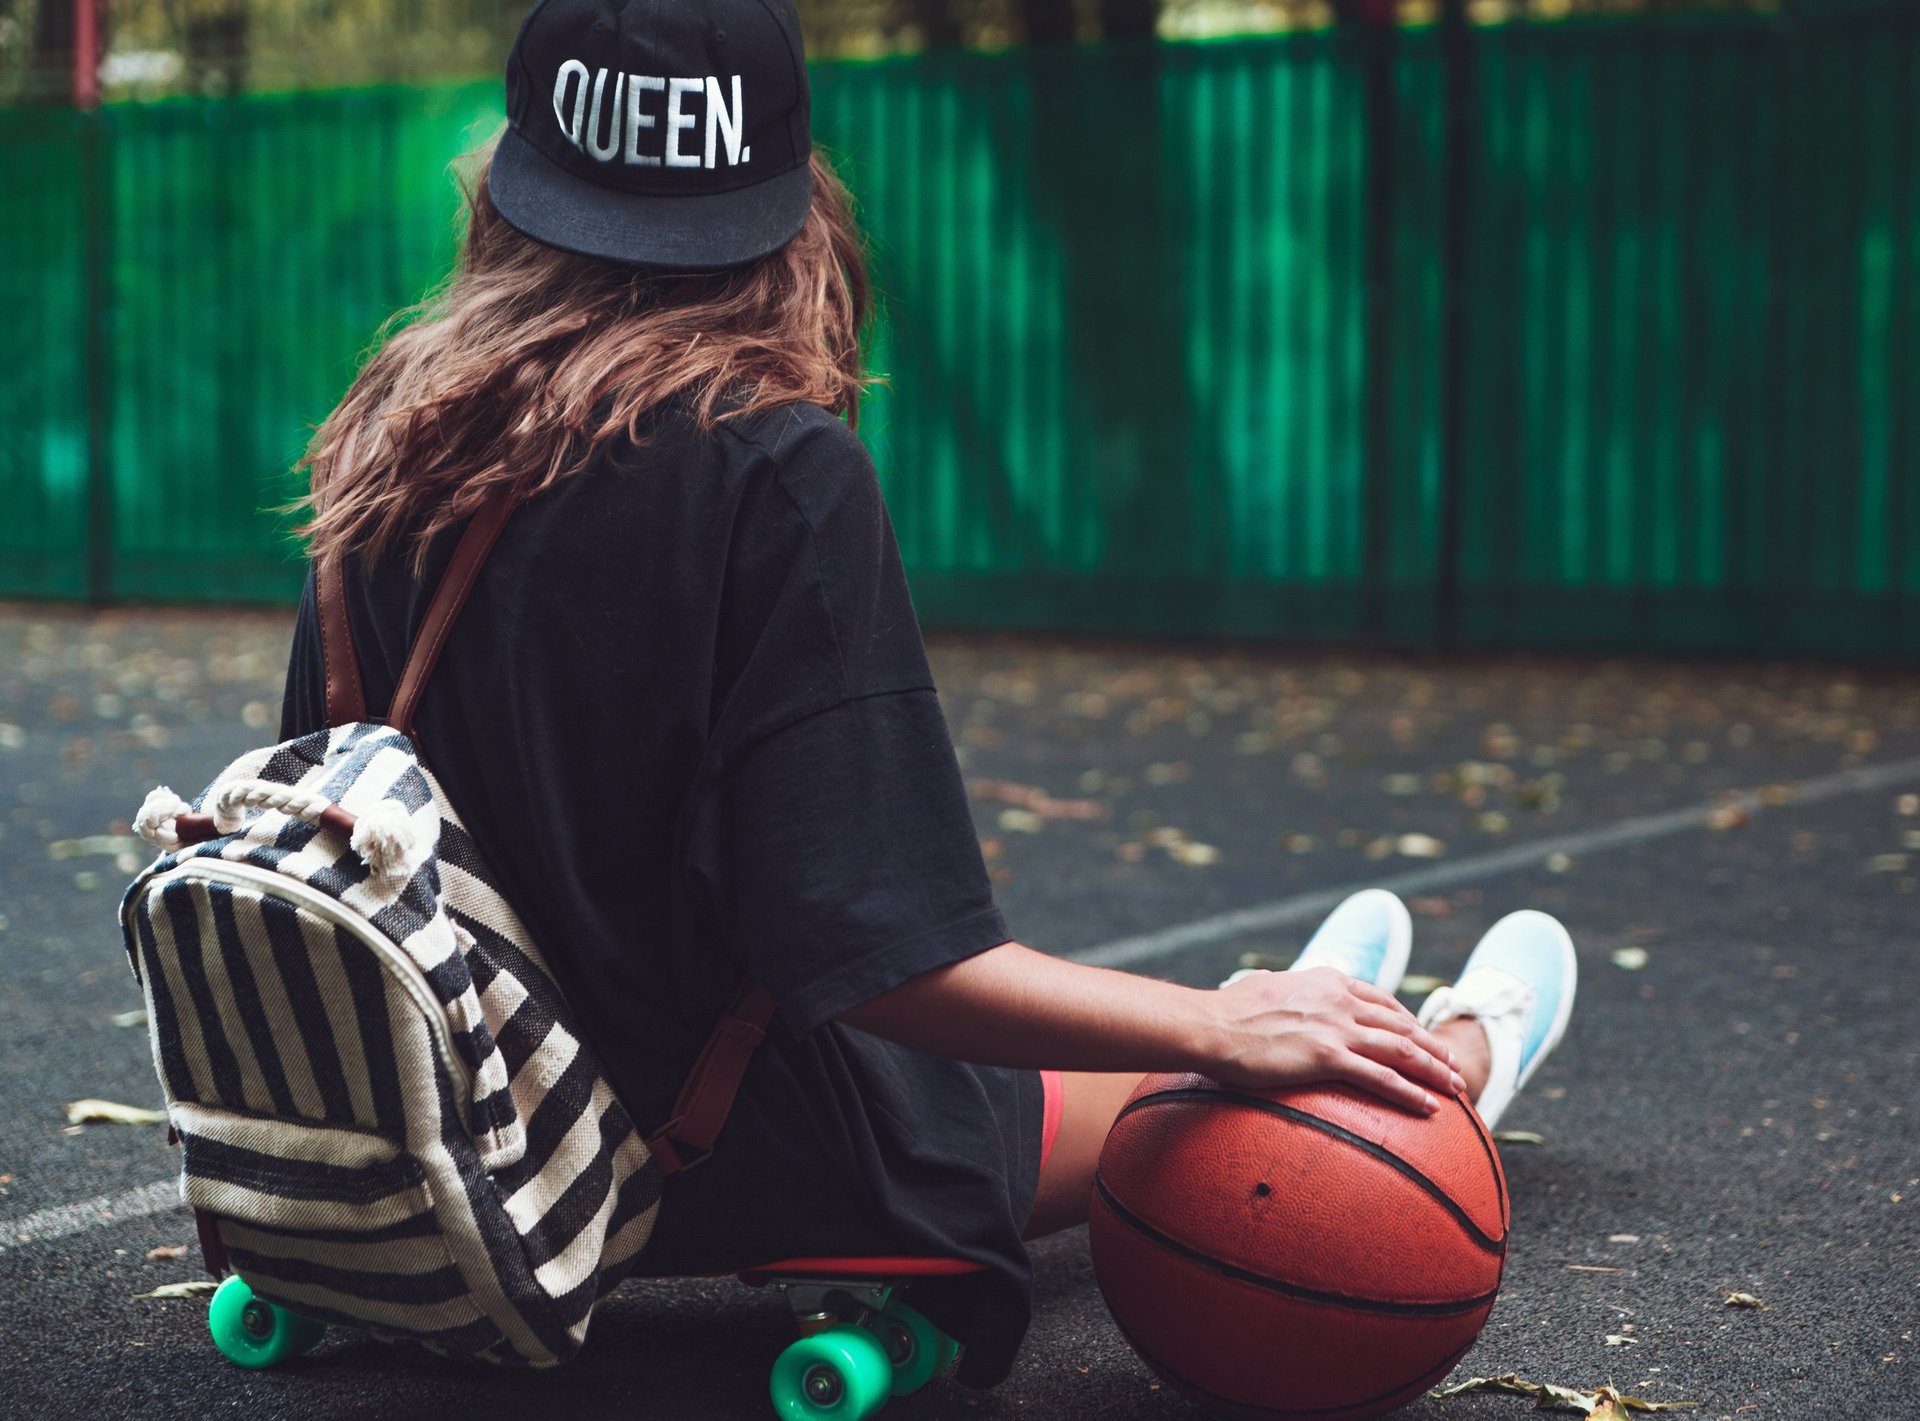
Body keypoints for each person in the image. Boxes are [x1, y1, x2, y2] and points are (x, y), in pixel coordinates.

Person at [277, 0, 1577, 1390]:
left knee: (1146, 1037)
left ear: (516, 194)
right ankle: (1449, 1049)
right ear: (790, 205)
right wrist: (1217, 1027)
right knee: (1219, 1088)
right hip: (716, 1159)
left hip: (450, 1136)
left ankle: (1318, 997)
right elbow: (893, 965)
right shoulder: (771, 468)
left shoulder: (389, 448)